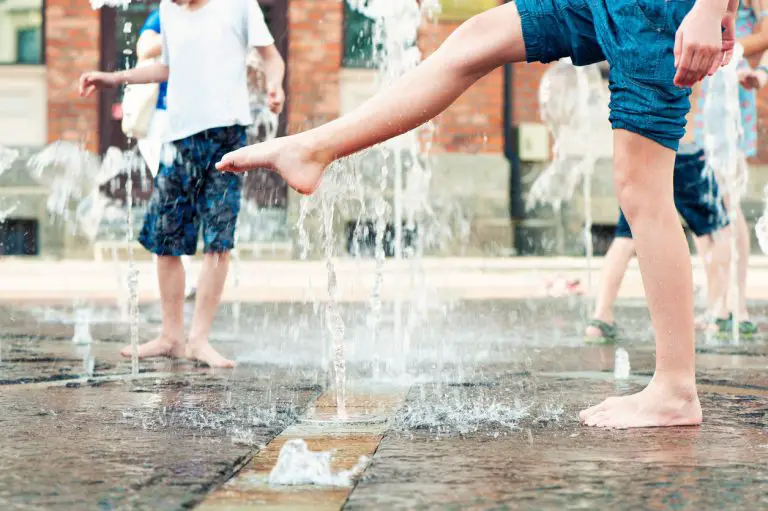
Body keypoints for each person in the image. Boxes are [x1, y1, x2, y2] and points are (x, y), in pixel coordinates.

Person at [218, 0, 737, 428]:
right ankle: (316, 149)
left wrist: (711, 7)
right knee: (475, 38)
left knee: (641, 189)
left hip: (649, 12)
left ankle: (675, 388)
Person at [79, 0, 286, 368]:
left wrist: (275, 86)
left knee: (218, 239)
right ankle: (171, 336)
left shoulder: (238, 5)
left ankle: (199, 340)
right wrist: (114, 79)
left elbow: (271, 58)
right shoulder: (170, 11)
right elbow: (168, 68)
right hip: (177, 138)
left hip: (227, 139)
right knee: (166, 237)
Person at [585, 144, 731, 343]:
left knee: (627, 236)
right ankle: (719, 312)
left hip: (638, 160)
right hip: (682, 155)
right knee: (716, 230)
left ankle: (600, 317)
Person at [692, 0, 768, 337]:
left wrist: (760, 73)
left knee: (727, 198)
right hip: (699, 95)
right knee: (702, 201)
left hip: (733, 95)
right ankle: (715, 299)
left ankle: (736, 302)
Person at [134, 8, 196, 300]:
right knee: (170, 193)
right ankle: (176, 272)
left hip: (200, 119)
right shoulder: (165, 13)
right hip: (162, 120)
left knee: (189, 194)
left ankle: (184, 270)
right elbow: (144, 48)